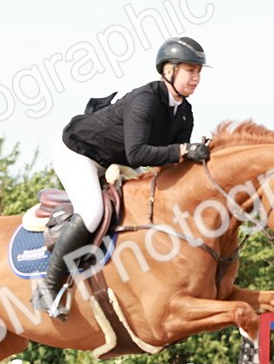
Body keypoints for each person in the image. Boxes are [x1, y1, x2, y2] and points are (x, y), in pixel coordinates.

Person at [32, 36, 211, 317]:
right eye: (190, 70)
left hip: (115, 160)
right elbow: (140, 153)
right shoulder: (146, 100)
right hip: (78, 152)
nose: (196, 77)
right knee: (92, 212)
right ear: (169, 70)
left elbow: (169, 166)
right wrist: (183, 150)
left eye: (199, 71)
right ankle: (48, 287)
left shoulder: (185, 113)